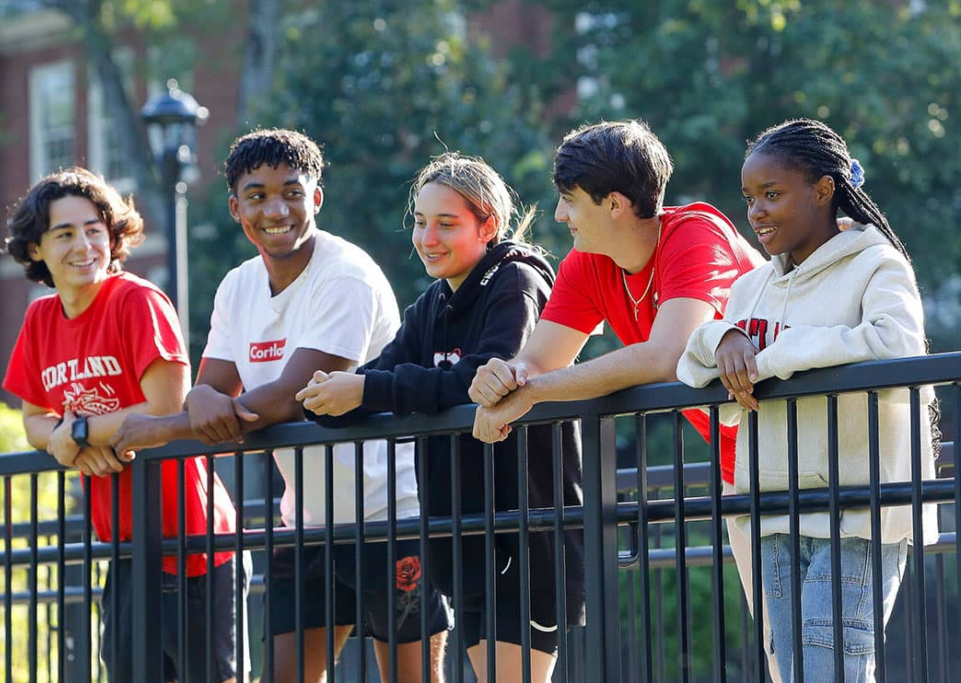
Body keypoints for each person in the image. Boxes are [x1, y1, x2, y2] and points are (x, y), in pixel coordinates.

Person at [110, 129, 450, 683]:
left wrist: (156, 430)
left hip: (396, 510)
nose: (276, 208)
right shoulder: (237, 286)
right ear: (235, 207)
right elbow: (215, 390)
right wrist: (198, 397)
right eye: (258, 194)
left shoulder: (346, 275)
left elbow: (293, 398)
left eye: (292, 191)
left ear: (316, 198)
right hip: (309, 520)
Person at [465, 120, 778, 678]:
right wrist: (499, 382)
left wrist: (529, 393)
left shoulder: (696, 231)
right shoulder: (587, 263)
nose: (559, 216)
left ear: (613, 204)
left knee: (822, 650)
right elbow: (535, 361)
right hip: (745, 470)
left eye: (568, 201)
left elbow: (669, 354)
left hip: (811, 452)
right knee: (788, 653)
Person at [296, 153, 585, 683]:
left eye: (446, 223)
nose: (428, 237)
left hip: (527, 531)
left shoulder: (516, 282)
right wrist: (326, 398)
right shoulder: (431, 303)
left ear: (488, 226)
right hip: (466, 539)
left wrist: (366, 388)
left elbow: (484, 377)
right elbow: (383, 377)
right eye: (421, 222)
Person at [677, 118, 938, 682]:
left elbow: (899, 352)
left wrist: (771, 358)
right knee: (796, 674)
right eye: (749, 198)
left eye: (773, 195)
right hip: (772, 511)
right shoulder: (750, 289)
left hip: (859, 513)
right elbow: (694, 371)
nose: (756, 213)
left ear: (823, 191)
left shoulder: (877, 263)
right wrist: (721, 337)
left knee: (831, 672)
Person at [1, 167, 249, 683]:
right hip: (125, 547)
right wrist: (66, 442)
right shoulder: (40, 320)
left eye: (94, 229)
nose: (84, 244)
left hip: (193, 542)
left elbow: (167, 407)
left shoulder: (137, 301)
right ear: (34, 251)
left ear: (113, 237)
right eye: (64, 233)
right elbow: (32, 419)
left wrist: (82, 431)